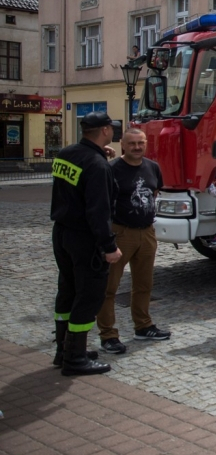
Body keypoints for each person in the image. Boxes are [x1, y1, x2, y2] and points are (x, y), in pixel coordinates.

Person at [50, 111, 123, 376]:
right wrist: (109, 246)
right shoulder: (97, 165)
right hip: (85, 239)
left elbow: (76, 185)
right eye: (111, 128)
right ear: (104, 130)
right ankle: (76, 359)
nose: (113, 131)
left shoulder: (67, 153)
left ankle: (63, 350)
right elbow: (98, 211)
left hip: (62, 232)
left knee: (68, 291)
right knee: (89, 296)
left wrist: (99, 156)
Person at [96, 128, 170, 355]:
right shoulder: (111, 169)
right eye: (132, 143)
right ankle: (108, 335)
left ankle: (143, 326)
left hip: (146, 233)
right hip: (120, 233)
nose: (137, 147)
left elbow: (154, 192)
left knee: (144, 284)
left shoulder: (153, 167)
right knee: (109, 288)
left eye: (141, 143)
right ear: (123, 145)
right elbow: (103, 204)